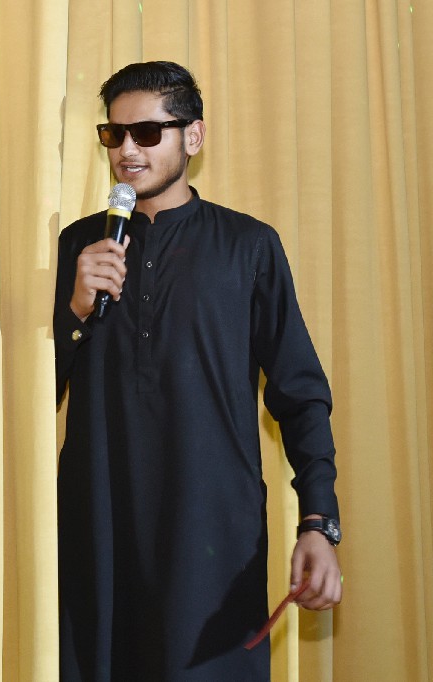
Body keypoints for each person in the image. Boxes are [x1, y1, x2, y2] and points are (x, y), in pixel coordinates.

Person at [54, 61, 343, 680]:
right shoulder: (79, 246)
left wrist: (318, 522)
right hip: (99, 530)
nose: (127, 151)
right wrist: (75, 310)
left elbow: (299, 392)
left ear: (194, 136)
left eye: (146, 133)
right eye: (113, 134)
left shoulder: (248, 246)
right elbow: (35, 390)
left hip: (212, 538)